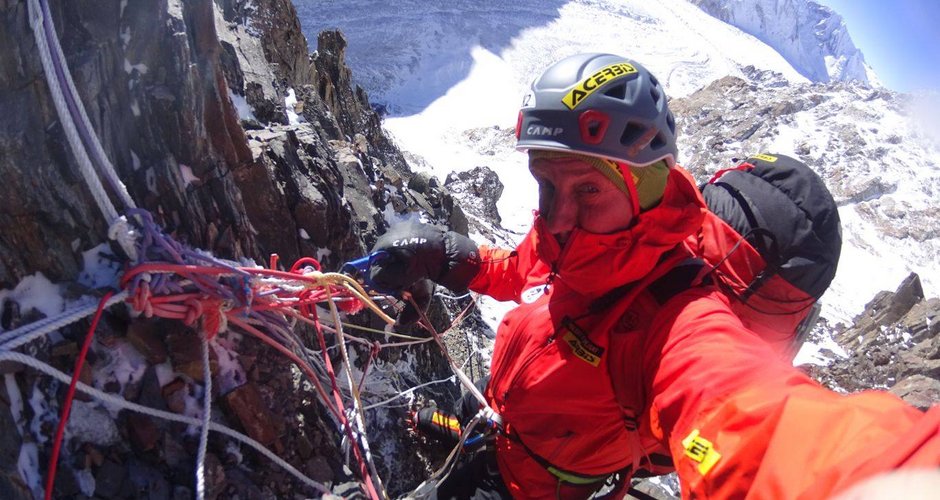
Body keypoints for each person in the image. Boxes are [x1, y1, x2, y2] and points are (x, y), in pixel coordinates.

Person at [369, 53, 940, 499]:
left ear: (644, 188)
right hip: (517, 428)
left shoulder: (678, 326)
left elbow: (761, 430)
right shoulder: (577, 238)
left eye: (588, 188)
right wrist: (450, 257)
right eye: (547, 184)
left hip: (534, 485)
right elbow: (523, 271)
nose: (559, 217)